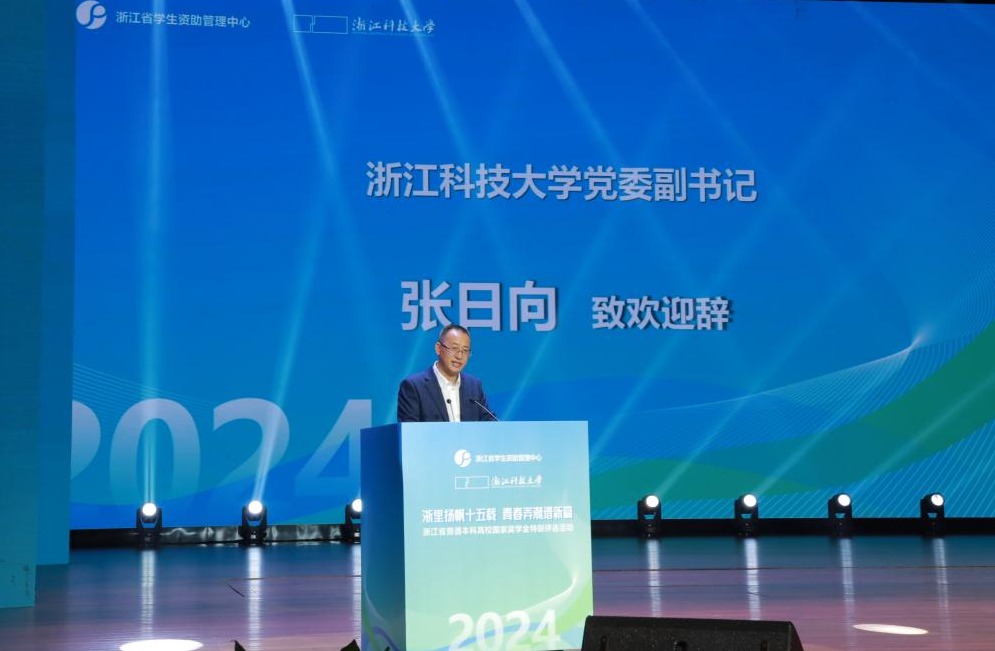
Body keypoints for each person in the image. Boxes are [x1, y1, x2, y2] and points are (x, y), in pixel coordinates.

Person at [397, 324, 497, 422]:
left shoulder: (474, 386)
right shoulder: (414, 386)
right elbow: (409, 429)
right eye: (454, 348)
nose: (459, 356)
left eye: (465, 350)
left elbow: (489, 421)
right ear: (438, 348)